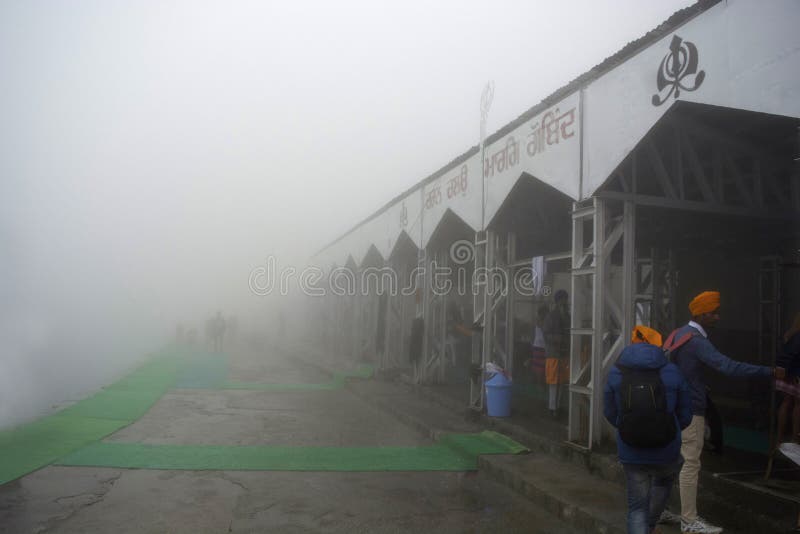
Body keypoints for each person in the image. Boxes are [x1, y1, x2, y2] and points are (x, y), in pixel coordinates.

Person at [664, 291, 784, 534]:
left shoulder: (677, 334)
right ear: (701, 314)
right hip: (690, 410)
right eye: (714, 313)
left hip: (672, 407)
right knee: (690, 463)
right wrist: (768, 372)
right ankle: (689, 520)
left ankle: (661, 509)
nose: (718, 317)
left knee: (672, 461)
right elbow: (727, 366)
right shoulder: (697, 340)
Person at [605, 325, 692, 534]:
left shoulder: (616, 372)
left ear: (633, 343)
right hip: (666, 449)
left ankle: (644, 528)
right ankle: (651, 527)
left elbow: (609, 412)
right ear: (657, 344)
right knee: (662, 483)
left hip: (631, 449)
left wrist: (628, 426)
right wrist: (669, 429)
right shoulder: (672, 371)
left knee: (636, 507)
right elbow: (686, 415)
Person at [543, 290, 570, 417]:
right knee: (554, 382)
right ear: (558, 301)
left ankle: (557, 407)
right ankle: (552, 408)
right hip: (553, 354)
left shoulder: (568, 316)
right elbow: (546, 334)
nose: (565, 302)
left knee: (562, 381)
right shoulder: (550, 316)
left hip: (563, 353)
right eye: (563, 300)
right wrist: (558, 338)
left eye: (566, 300)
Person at [776, 312, 800, 444]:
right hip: (796, 374)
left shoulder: (790, 334)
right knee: (798, 405)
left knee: (786, 403)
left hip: (784, 373)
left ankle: (779, 437)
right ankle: (795, 439)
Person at [529, 305, 549, 385]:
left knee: (541, 366)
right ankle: (539, 384)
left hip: (541, 345)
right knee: (539, 367)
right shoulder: (539, 320)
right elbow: (543, 328)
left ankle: (540, 383)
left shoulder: (541, 320)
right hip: (539, 346)